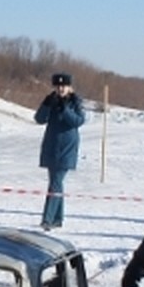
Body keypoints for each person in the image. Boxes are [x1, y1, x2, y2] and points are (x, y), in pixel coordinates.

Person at [34, 73, 85, 230]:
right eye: (58, 86)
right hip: (51, 146)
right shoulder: (52, 100)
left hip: (67, 149)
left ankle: (47, 219)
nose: (61, 89)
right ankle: (57, 219)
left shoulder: (75, 102)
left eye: (63, 86)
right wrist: (46, 104)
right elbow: (39, 119)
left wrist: (65, 110)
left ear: (69, 87)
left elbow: (78, 121)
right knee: (56, 183)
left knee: (55, 183)